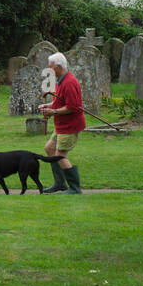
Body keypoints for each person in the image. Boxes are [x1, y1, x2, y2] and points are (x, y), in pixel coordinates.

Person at [39, 52, 85, 194]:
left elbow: (72, 106)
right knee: (49, 149)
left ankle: (75, 188)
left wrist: (54, 112)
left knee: (60, 154)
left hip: (70, 125)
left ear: (59, 67)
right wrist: (49, 105)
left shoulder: (69, 82)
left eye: (51, 67)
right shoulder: (60, 80)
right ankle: (60, 183)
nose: (49, 70)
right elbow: (61, 101)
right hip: (61, 125)